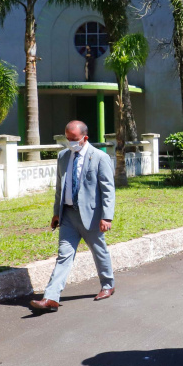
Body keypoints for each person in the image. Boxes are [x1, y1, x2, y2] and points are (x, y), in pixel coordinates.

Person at [30, 120, 116, 313]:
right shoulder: (63, 156)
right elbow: (60, 188)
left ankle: (108, 285)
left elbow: (108, 190)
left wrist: (107, 217)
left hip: (92, 216)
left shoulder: (100, 157)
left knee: (99, 250)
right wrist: (55, 213)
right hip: (68, 215)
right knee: (63, 256)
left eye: (74, 139)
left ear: (85, 138)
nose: (70, 142)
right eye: (67, 139)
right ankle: (51, 297)